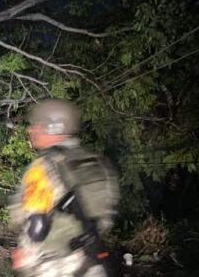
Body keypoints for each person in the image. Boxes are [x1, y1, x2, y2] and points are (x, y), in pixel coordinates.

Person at [9, 99, 119, 277]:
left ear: (50, 127)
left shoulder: (43, 167)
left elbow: (37, 226)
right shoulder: (99, 163)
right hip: (92, 262)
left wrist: (25, 257)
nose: (30, 130)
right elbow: (107, 217)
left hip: (54, 266)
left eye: (35, 125)